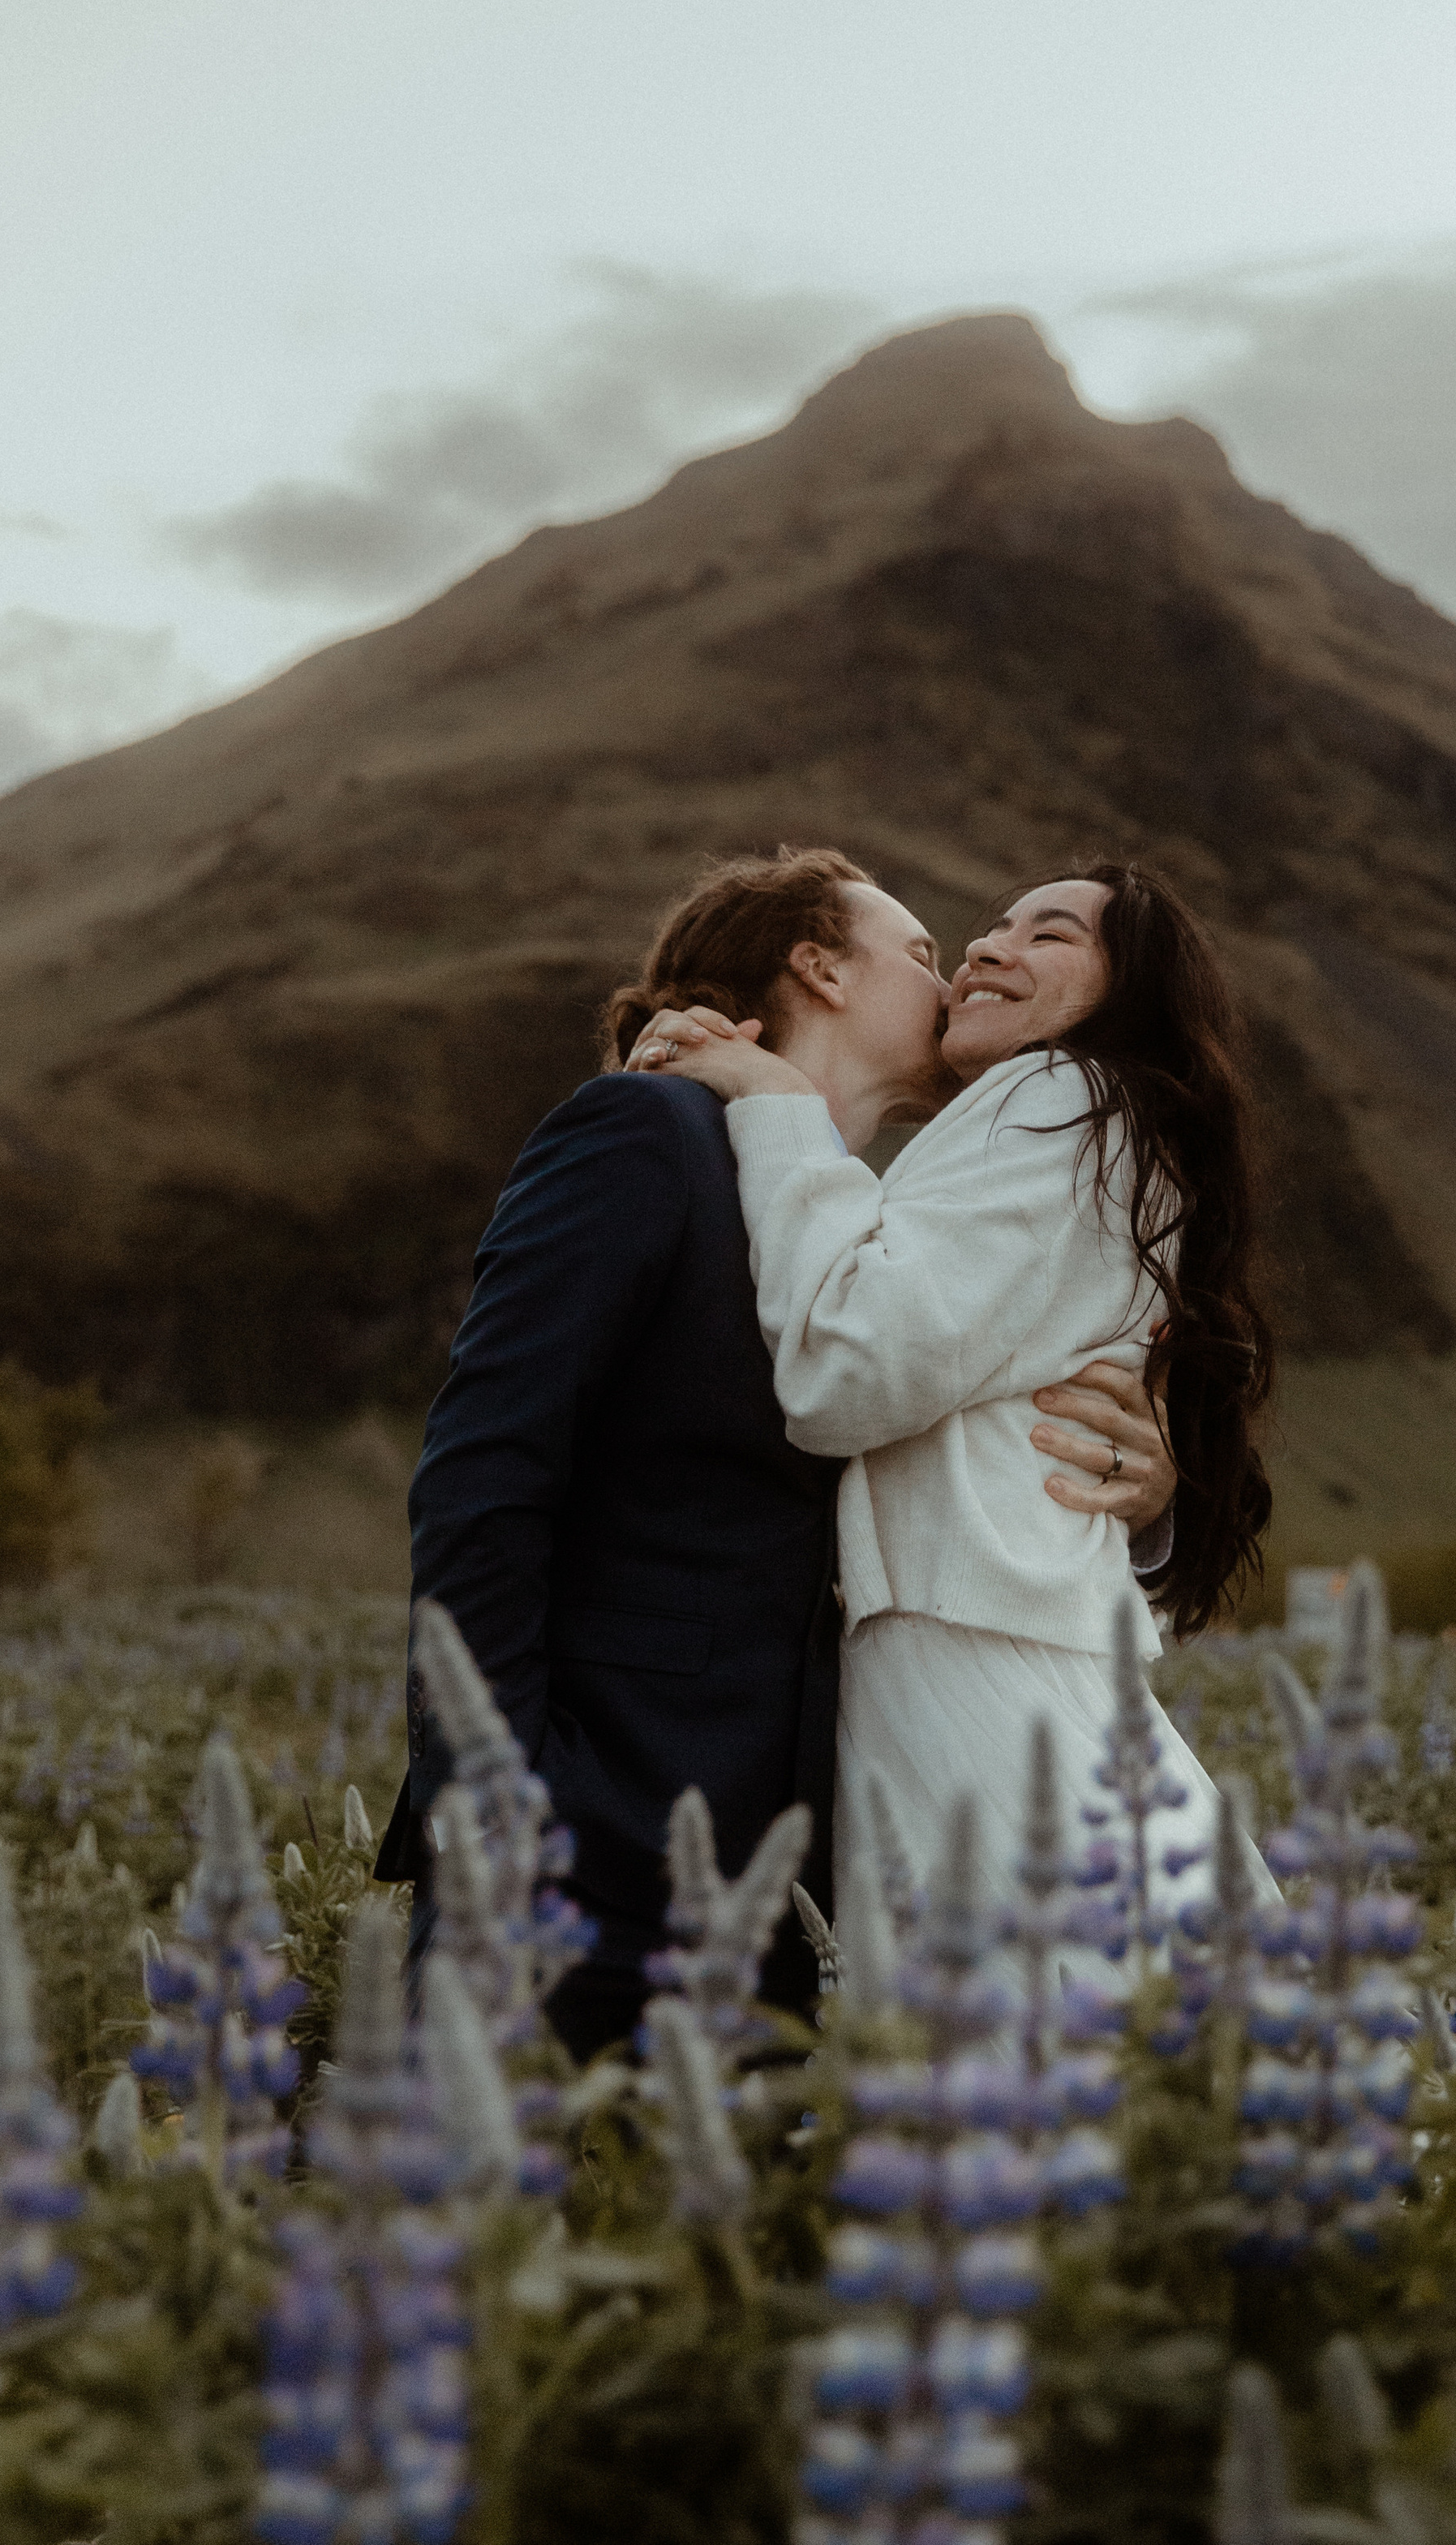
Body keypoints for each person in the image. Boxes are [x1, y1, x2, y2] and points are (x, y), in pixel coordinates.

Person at [372, 847, 1178, 2057]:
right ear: (819, 968)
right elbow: (485, 1472)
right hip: (582, 1824)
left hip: (796, 1873)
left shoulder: (856, 1212)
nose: (958, 966)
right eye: (920, 952)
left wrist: (1147, 1494)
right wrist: (490, 1788)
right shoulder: (646, 1133)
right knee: (459, 2220)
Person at [630, 858, 1280, 1951]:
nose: (989, 948)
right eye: (991, 928)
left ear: (1128, 992)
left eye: (1052, 935)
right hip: (993, 1635)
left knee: (1031, 2050)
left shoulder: (1063, 1095)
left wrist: (779, 1105)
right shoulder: (1079, 1129)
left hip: (958, 1645)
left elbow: (849, 1373)